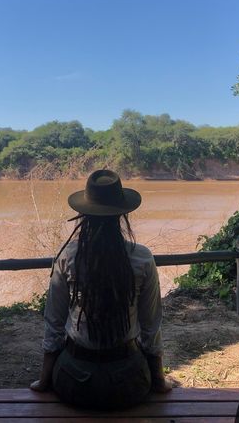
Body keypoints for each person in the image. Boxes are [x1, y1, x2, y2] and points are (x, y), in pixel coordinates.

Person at [29, 169, 171, 409]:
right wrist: (157, 379)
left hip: (73, 382)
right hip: (129, 384)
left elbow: (53, 322)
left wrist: (44, 380)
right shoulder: (142, 258)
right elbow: (151, 325)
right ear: (122, 215)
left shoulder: (68, 256)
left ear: (83, 215)